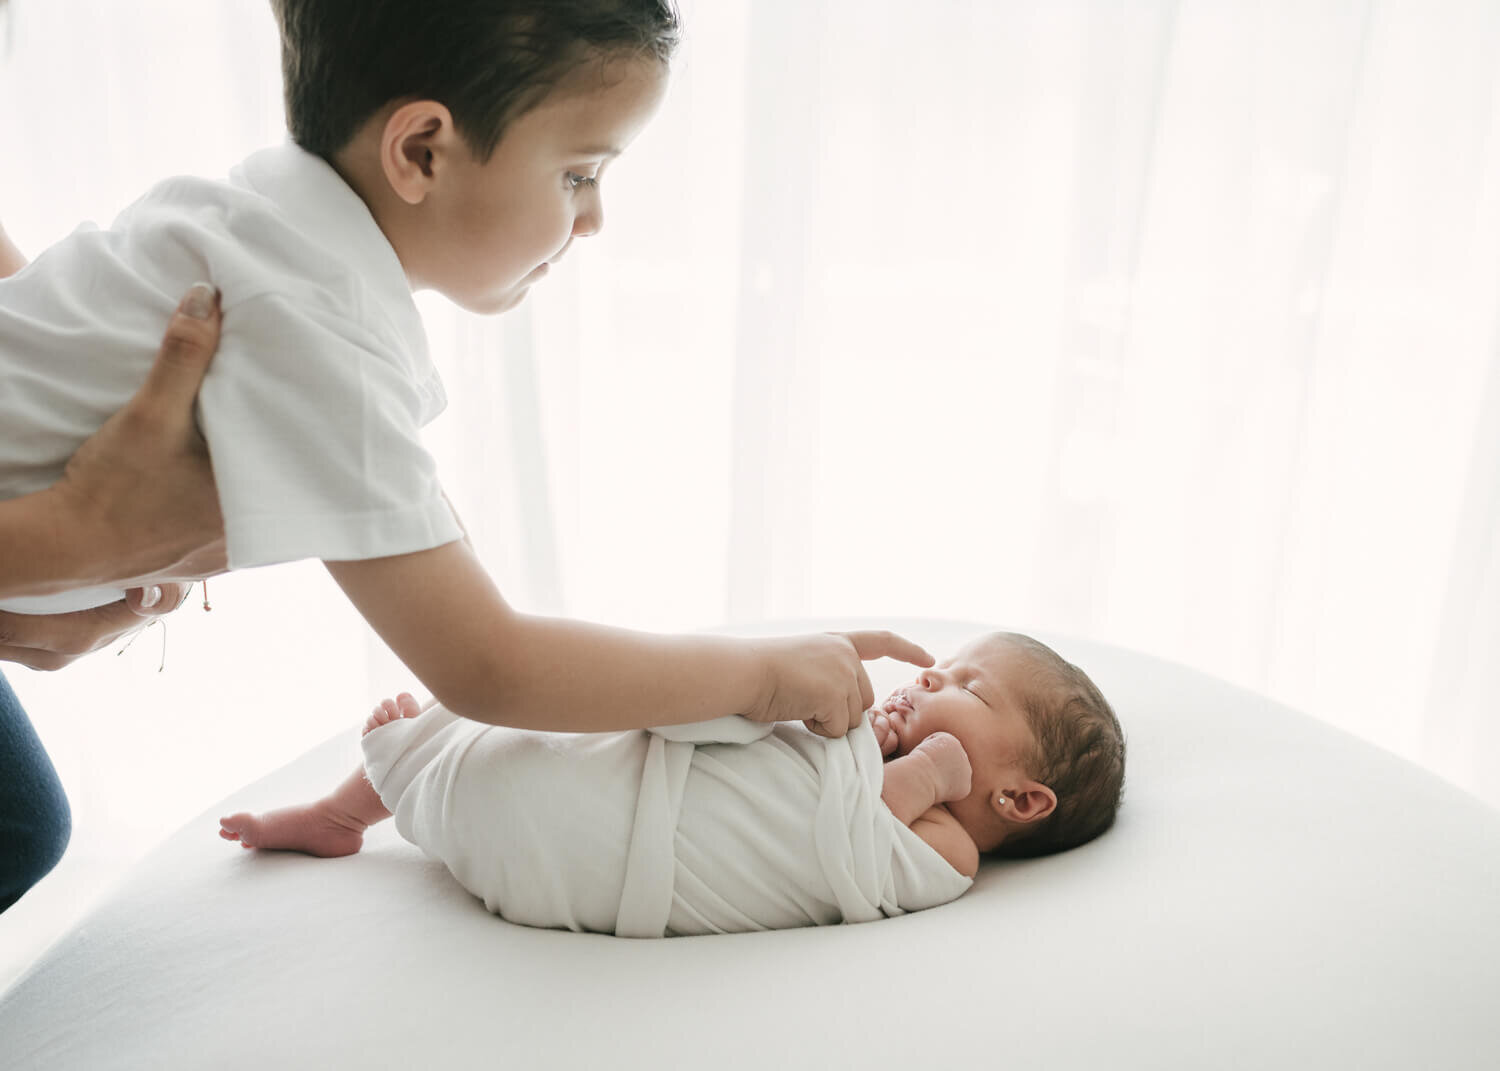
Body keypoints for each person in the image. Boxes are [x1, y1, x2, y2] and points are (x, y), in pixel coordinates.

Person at [0, 2, 931, 910]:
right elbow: (489, 666)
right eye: (579, 174)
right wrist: (763, 675)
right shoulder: (317, 323)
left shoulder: (263, 223)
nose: (596, 216)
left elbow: (452, 566)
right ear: (420, 152)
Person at [218, 632, 1126, 936]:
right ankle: (344, 812)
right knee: (517, 717)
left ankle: (383, 787)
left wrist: (922, 769)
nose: (930, 679)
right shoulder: (862, 741)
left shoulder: (954, 846)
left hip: (620, 852)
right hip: (640, 781)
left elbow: (853, 835)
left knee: (521, 764)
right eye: (942, 668)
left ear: (1020, 798)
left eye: (968, 687)